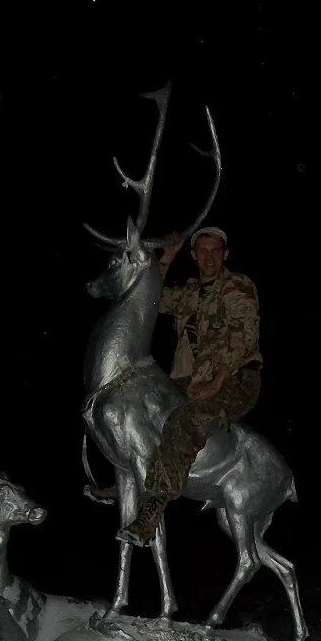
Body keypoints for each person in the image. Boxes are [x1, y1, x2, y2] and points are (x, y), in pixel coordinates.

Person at [113, 225, 265, 546]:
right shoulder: (190, 292)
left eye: (216, 251)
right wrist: (166, 257)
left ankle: (151, 512)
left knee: (185, 421)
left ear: (226, 255)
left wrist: (217, 381)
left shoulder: (237, 287)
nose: (209, 257)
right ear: (194, 256)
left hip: (236, 379)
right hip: (190, 382)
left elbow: (243, 336)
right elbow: (152, 297)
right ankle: (127, 475)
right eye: (203, 251)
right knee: (141, 403)